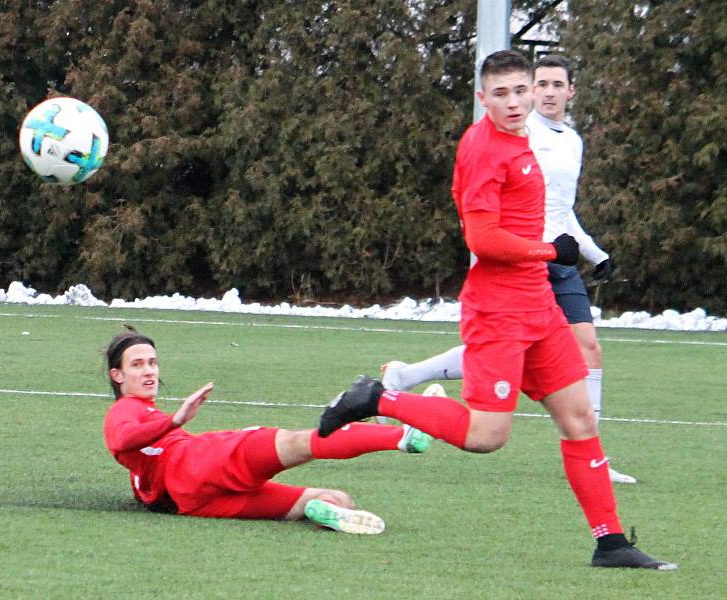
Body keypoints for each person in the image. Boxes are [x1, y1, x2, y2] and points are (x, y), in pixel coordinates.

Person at [318, 51, 676, 569]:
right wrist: (552, 251)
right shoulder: (485, 148)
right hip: (499, 307)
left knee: (579, 420)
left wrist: (570, 252)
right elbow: (482, 237)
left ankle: (611, 543)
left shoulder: (529, 138)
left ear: (533, 93)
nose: (513, 102)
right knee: (488, 436)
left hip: (538, 304)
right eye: (500, 94)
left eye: (520, 91)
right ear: (482, 98)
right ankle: (377, 398)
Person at [377, 54, 635, 485]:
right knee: (495, 401)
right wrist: (547, 250)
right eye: (541, 83)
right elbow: (484, 229)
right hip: (530, 258)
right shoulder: (507, 132)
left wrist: (592, 252)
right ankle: (398, 384)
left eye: (553, 85)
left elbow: (560, 207)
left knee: (587, 348)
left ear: (570, 91)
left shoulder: (571, 141)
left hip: (557, 257)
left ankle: (596, 466)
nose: (544, 93)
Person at [102, 327, 431, 535]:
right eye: (138, 364)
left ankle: (327, 509)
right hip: (201, 460)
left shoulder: (140, 439)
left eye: (153, 362)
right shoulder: (125, 409)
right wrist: (174, 421)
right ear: (117, 376)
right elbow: (120, 438)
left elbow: (138, 464)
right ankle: (403, 436)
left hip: (193, 502)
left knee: (334, 498)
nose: (149, 371)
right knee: (299, 442)